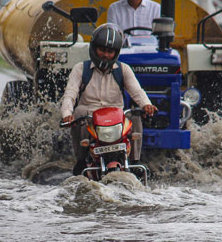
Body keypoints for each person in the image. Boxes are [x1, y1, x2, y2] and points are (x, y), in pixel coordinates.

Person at [60, 23, 158, 175]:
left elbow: (137, 91)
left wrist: (147, 105)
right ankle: (80, 160)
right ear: (94, 48)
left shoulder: (124, 69)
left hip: (117, 118)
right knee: (79, 111)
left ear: (116, 52)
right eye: (102, 50)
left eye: (110, 51)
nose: (105, 55)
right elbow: (70, 94)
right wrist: (67, 113)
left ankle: (135, 161)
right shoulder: (80, 69)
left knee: (135, 115)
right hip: (91, 117)